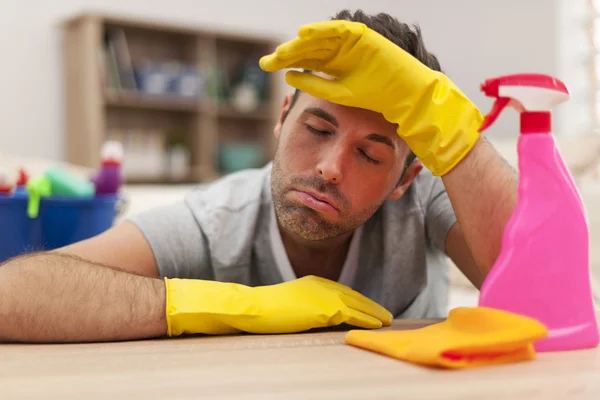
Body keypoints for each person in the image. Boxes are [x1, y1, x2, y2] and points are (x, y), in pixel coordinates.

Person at [0, 9, 517, 343]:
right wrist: (232, 304)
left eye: (370, 155)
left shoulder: (426, 200)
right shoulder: (215, 221)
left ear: (406, 178)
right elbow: (13, 295)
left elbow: (546, 291)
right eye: (316, 127)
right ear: (282, 116)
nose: (329, 168)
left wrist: (452, 131)